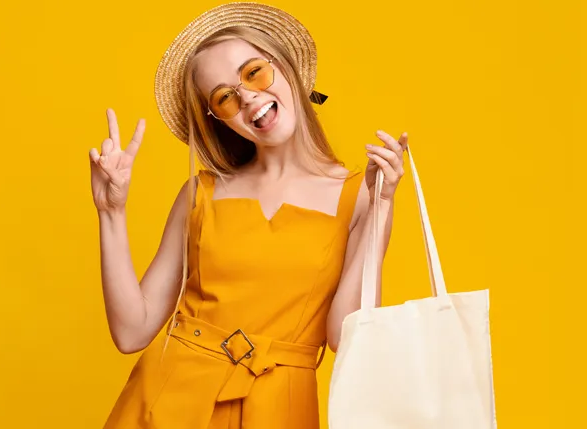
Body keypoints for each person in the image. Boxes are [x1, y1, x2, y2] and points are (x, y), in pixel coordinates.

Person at [89, 3, 408, 428]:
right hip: (167, 402)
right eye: (224, 97)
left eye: (254, 72)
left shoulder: (362, 197)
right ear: (218, 120)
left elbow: (348, 338)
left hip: (277, 412)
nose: (247, 97)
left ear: (286, 67)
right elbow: (132, 331)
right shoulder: (201, 193)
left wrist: (381, 206)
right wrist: (111, 211)